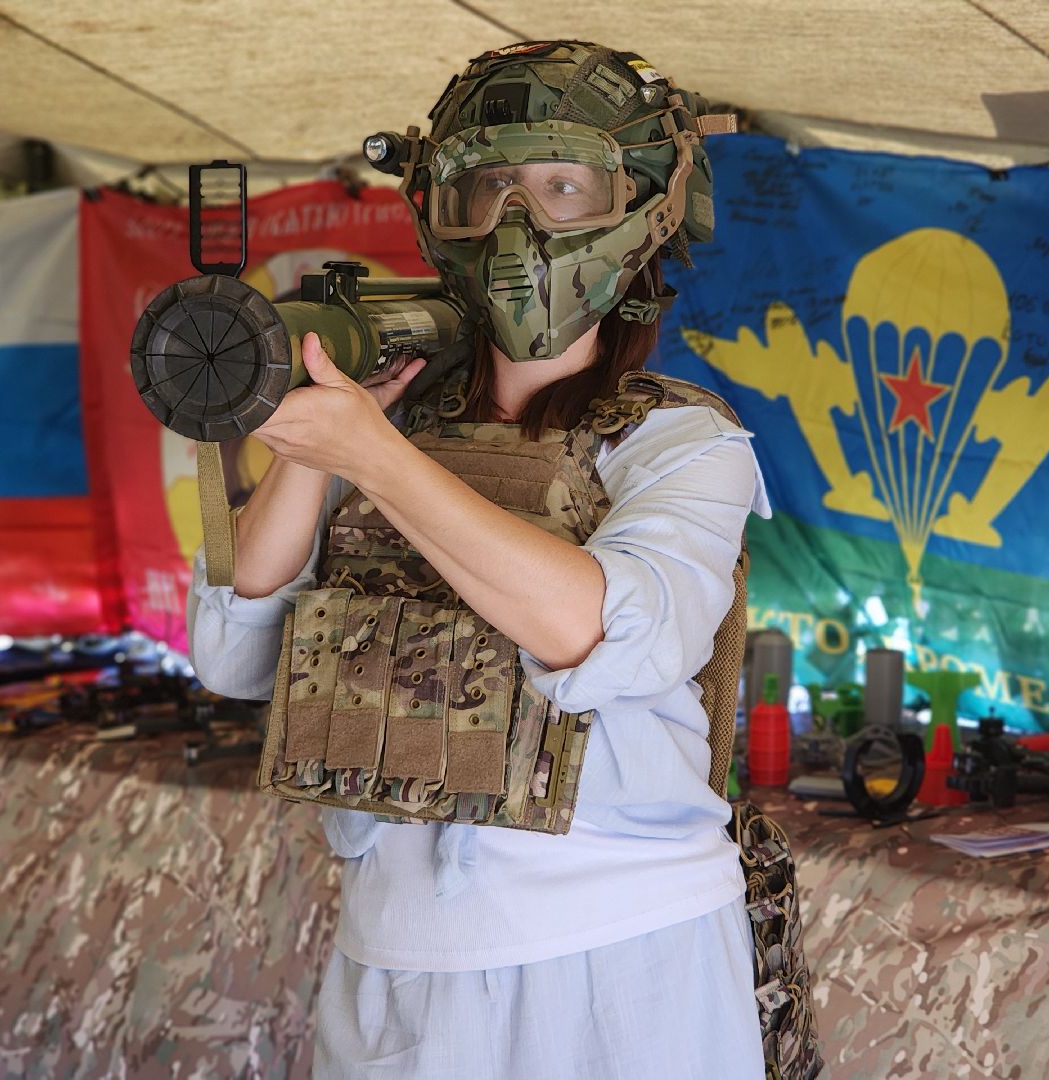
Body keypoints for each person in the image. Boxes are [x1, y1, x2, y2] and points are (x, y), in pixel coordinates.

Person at [187, 41, 770, 1078]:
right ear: (437, 212)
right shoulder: (389, 427)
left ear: (642, 213)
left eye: (562, 186)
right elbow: (236, 658)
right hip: (395, 949)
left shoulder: (682, 442)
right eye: (485, 188)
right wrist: (314, 447)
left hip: (621, 948)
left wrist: (375, 457)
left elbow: (604, 631)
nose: (517, 223)